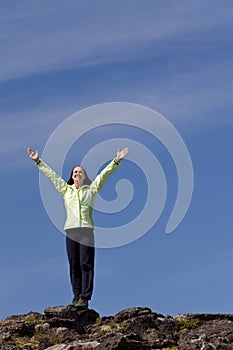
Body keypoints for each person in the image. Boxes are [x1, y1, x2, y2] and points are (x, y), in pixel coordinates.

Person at [27, 147, 129, 309]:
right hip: (71, 231)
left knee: (85, 264)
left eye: (80, 172)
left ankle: (85, 297)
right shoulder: (66, 190)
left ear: (84, 176)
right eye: (75, 172)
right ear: (72, 176)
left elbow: (103, 176)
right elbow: (52, 176)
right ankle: (76, 296)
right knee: (74, 264)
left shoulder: (91, 190)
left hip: (86, 231)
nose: (77, 174)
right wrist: (38, 161)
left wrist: (116, 161)